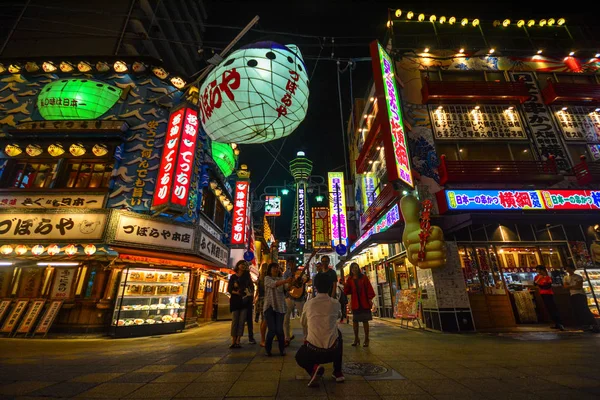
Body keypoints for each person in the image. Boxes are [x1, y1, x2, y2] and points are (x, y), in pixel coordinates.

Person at [295, 273, 345, 387]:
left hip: (313, 352)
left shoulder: (309, 304)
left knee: (299, 356)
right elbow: (338, 316)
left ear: (315, 287)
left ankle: (314, 369)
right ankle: (338, 372)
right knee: (339, 334)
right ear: (329, 287)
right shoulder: (335, 303)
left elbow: (303, 322)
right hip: (333, 351)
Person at [283, 251, 316, 345]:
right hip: (289, 296)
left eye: (292, 262)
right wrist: (289, 284)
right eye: (289, 262)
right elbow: (284, 285)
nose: (290, 264)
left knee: (303, 318)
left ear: (294, 262)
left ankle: (306, 338)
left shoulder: (300, 271)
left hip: (300, 297)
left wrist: (307, 272)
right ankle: (286, 338)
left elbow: (306, 280)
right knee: (286, 318)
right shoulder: (286, 273)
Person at [264, 262, 293, 356]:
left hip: (280, 306)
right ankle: (268, 349)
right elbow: (274, 284)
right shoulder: (267, 278)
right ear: (270, 270)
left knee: (280, 330)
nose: (276, 269)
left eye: (277, 268)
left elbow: (287, 288)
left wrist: (291, 283)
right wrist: (286, 281)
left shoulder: (282, 279)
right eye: (274, 268)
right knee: (272, 330)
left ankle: (282, 349)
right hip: (269, 307)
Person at [344, 262, 376, 347]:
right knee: (355, 321)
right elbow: (347, 291)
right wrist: (345, 285)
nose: (355, 269)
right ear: (351, 270)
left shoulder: (364, 278)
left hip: (364, 302)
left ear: (358, 268)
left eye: (356, 267)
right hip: (355, 303)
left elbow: (369, 288)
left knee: (365, 321)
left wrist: (369, 298)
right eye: (353, 268)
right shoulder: (350, 279)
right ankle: (356, 338)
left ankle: (366, 339)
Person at [564, 265, 600, 332]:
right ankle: (585, 324)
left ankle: (593, 324)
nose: (567, 270)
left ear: (572, 269)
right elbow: (566, 286)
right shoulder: (566, 278)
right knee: (578, 310)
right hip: (573, 295)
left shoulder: (578, 277)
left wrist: (570, 286)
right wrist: (573, 286)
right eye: (566, 268)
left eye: (568, 268)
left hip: (580, 294)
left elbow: (579, 287)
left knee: (584, 309)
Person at [534, 265, 565, 331]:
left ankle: (559, 323)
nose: (537, 271)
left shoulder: (548, 277)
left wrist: (540, 285)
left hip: (549, 294)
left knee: (553, 308)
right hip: (542, 294)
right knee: (549, 309)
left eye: (538, 270)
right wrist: (539, 279)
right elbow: (535, 284)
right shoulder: (537, 277)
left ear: (541, 270)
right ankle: (556, 323)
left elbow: (547, 286)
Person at [227, 260, 247, 348]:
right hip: (235, 301)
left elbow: (249, 287)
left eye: (244, 265)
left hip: (244, 301)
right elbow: (229, 289)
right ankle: (233, 340)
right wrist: (236, 292)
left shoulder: (247, 276)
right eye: (241, 264)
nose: (243, 266)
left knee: (242, 321)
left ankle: (238, 339)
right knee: (235, 321)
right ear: (238, 265)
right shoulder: (233, 277)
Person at [241, 267, 256, 344]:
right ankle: (251, 337)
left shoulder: (241, 279)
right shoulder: (250, 281)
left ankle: (237, 338)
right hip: (249, 302)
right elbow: (253, 290)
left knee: (241, 320)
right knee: (249, 321)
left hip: (242, 301)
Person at [255, 263, 269, 347]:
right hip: (265, 300)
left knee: (264, 320)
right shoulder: (266, 279)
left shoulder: (260, 279)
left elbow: (257, 291)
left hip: (261, 300)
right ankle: (263, 339)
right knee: (265, 320)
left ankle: (263, 339)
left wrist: (255, 298)